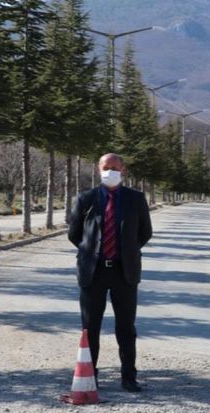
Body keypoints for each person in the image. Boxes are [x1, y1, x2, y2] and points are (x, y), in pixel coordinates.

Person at [68, 153, 153, 392]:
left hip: (124, 272)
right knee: (90, 328)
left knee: (126, 328)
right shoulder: (86, 199)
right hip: (93, 272)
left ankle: (129, 377)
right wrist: (92, 252)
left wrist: (126, 251)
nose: (110, 172)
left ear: (123, 170)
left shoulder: (135, 199)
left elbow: (145, 232)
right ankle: (89, 376)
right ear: (99, 169)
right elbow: (74, 234)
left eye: (115, 168)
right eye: (106, 167)